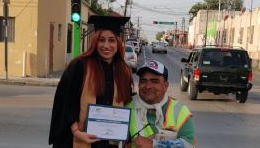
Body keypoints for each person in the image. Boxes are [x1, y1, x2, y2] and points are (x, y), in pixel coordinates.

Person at [48, 15, 134, 148]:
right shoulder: (79, 66)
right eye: (101, 40)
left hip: (109, 143)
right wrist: (76, 132)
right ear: (95, 42)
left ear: (118, 42)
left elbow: (127, 104)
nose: (106, 45)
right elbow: (66, 103)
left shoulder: (123, 71)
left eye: (111, 40)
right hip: (77, 139)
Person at [126, 60, 196, 148]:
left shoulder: (180, 111)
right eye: (143, 81)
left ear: (166, 86)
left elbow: (189, 144)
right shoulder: (126, 109)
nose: (148, 86)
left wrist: (154, 144)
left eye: (154, 81)